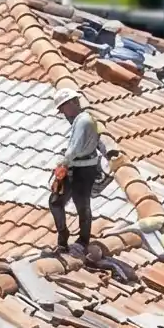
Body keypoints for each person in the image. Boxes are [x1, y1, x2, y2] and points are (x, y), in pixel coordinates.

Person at [51, 87, 114, 250]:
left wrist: (62, 163)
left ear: (71, 103)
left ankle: (83, 240)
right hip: (75, 166)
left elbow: (75, 148)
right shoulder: (80, 119)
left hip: (83, 170)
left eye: (63, 108)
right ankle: (63, 235)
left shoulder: (84, 120)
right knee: (56, 202)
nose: (63, 113)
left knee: (82, 204)